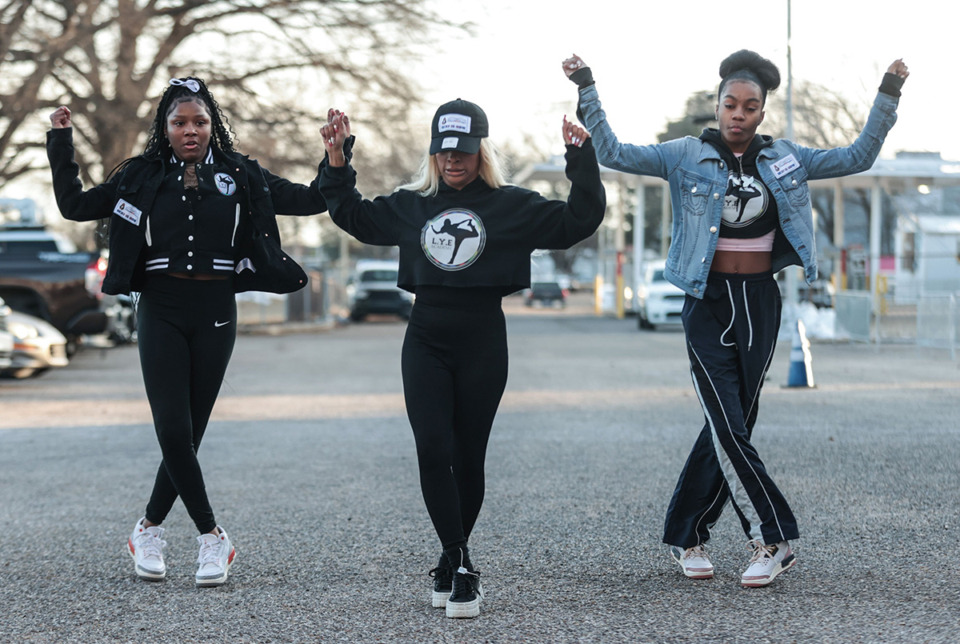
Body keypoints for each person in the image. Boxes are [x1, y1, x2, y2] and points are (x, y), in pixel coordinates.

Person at [563, 50, 908, 587]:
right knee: (727, 422)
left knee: (732, 427)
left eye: (750, 106)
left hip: (760, 300)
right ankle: (771, 536)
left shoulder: (787, 159)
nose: (738, 114)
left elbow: (858, 156)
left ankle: (687, 535)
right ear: (718, 106)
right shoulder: (684, 155)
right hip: (708, 299)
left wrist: (889, 90)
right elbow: (614, 151)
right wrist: (586, 85)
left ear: (762, 113)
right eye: (730, 104)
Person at [318, 100, 605, 617]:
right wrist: (338, 158)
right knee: (432, 447)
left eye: (464, 151)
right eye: (444, 150)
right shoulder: (412, 204)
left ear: (481, 153)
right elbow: (352, 215)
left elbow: (579, 219)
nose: (454, 160)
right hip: (425, 336)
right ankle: (461, 561)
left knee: (469, 456)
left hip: (483, 339)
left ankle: (451, 563)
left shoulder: (510, 205)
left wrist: (579, 159)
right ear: (433, 152)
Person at [47, 77, 333, 587]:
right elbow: (74, 205)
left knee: (191, 433)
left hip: (216, 310)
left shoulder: (240, 173)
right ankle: (211, 537)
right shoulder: (140, 175)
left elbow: (312, 199)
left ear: (212, 125)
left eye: (199, 121)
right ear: (164, 127)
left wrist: (335, 158)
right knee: (173, 430)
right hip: (160, 306)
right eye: (179, 122)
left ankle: (148, 528)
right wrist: (62, 142)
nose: (190, 130)